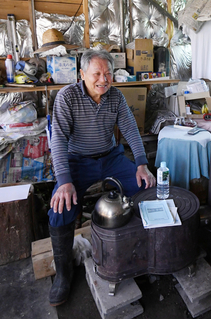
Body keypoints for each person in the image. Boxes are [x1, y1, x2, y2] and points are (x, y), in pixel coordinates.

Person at [47, 49, 156, 306]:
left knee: (143, 187)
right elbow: (59, 141)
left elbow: (130, 129)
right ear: (82, 74)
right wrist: (64, 180)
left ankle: (138, 254)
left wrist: (141, 164)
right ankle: (64, 274)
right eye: (97, 73)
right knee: (61, 208)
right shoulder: (67, 97)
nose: (103, 79)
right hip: (77, 162)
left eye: (108, 73)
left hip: (111, 158)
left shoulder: (115, 97)